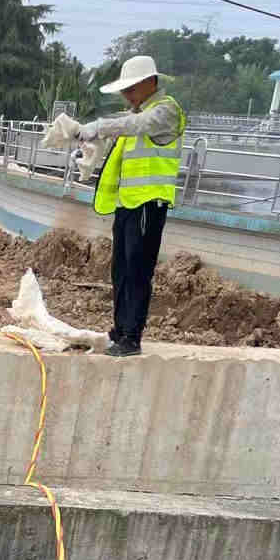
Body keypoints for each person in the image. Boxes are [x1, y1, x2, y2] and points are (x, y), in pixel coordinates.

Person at [73, 56, 186, 358]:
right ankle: (120, 330)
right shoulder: (137, 113)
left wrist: (99, 127)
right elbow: (124, 139)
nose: (126, 96)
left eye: (130, 89)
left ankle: (132, 337)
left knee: (138, 270)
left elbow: (136, 125)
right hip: (128, 203)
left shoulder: (165, 111)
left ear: (150, 83)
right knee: (121, 270)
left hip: (149, 203)